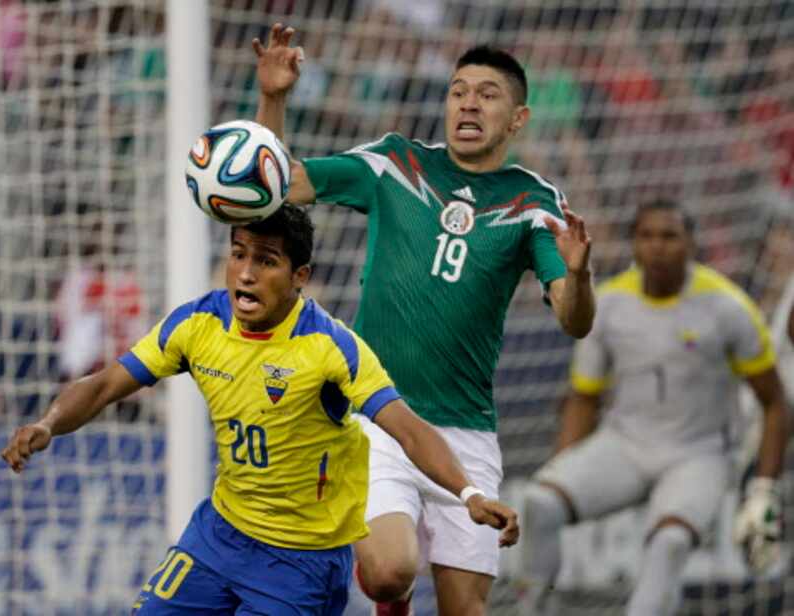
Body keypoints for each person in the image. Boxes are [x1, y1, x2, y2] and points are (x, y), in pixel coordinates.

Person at [0, 205, 519, 616]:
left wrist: (468, 492)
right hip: (219, 535)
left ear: (300, 275)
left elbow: (407, 429)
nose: (245, 274)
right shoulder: (198, 323)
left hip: (302, 562)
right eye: (238, 254)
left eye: (266, 261)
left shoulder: (331, 346)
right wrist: (48, 423)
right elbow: (105, 384)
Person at [252, 23, 596, 616]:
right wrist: (274, 99)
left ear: (518, 119)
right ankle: (396, 598)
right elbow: (281, 185)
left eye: (488, 94)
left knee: (465, 609)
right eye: (459, 90)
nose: (468, 102)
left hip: (466, 432)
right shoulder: (395, 163)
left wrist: (582, 275)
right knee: (388, 572)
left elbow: (572, 320)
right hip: (377, 418)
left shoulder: (534, 202)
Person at [517, 199, 789, 615]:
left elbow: (774, 403)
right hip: (626, 444)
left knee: (670, 544)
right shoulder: (606, 303)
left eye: (670, 236)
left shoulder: (729, 308)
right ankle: (529, 608)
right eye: (647, 236)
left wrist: (763, 489)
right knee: (540, 503)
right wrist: (563, 462)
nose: (658, 247)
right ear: (633, 245)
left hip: (699, 454)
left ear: (691, 244)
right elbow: (584, 397)